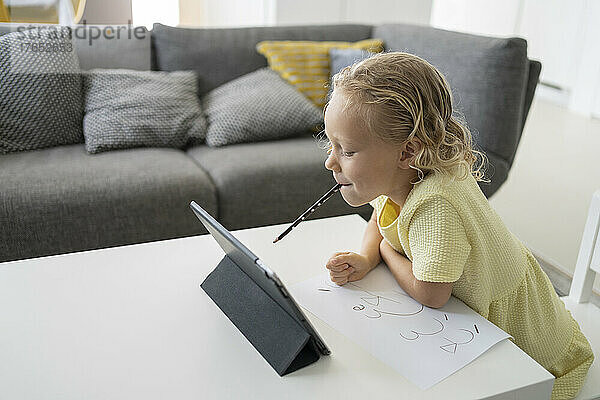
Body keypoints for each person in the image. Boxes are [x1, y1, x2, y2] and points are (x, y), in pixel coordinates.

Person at [323, 51, 593, 400]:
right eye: (330, 144)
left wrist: (387, 252)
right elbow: (383, 214)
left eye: (346, 151)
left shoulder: (436, 203)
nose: (330, 160)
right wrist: (365, 255)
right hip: (471, 316)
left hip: (527, 343)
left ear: (406, 152)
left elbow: (432, 293)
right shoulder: (402, 174)